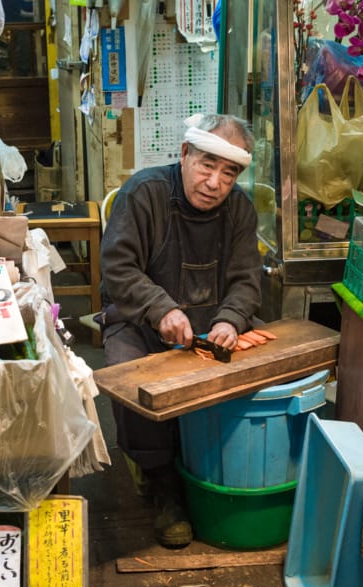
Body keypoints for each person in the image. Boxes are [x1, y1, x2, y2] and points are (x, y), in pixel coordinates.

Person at [99, 113, 262, 548]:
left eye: (228, 174)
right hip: (139, 321)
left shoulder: (241, 209)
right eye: (207, 165)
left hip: (210, 326)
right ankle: (162, 484)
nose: (214, 182)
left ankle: (214, 471)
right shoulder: (144, 193)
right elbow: (118, 268)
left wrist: (231, 318)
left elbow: (248, 280)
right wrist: (160, 309)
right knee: (131, 374)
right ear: (185, 154)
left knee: (258, 369)